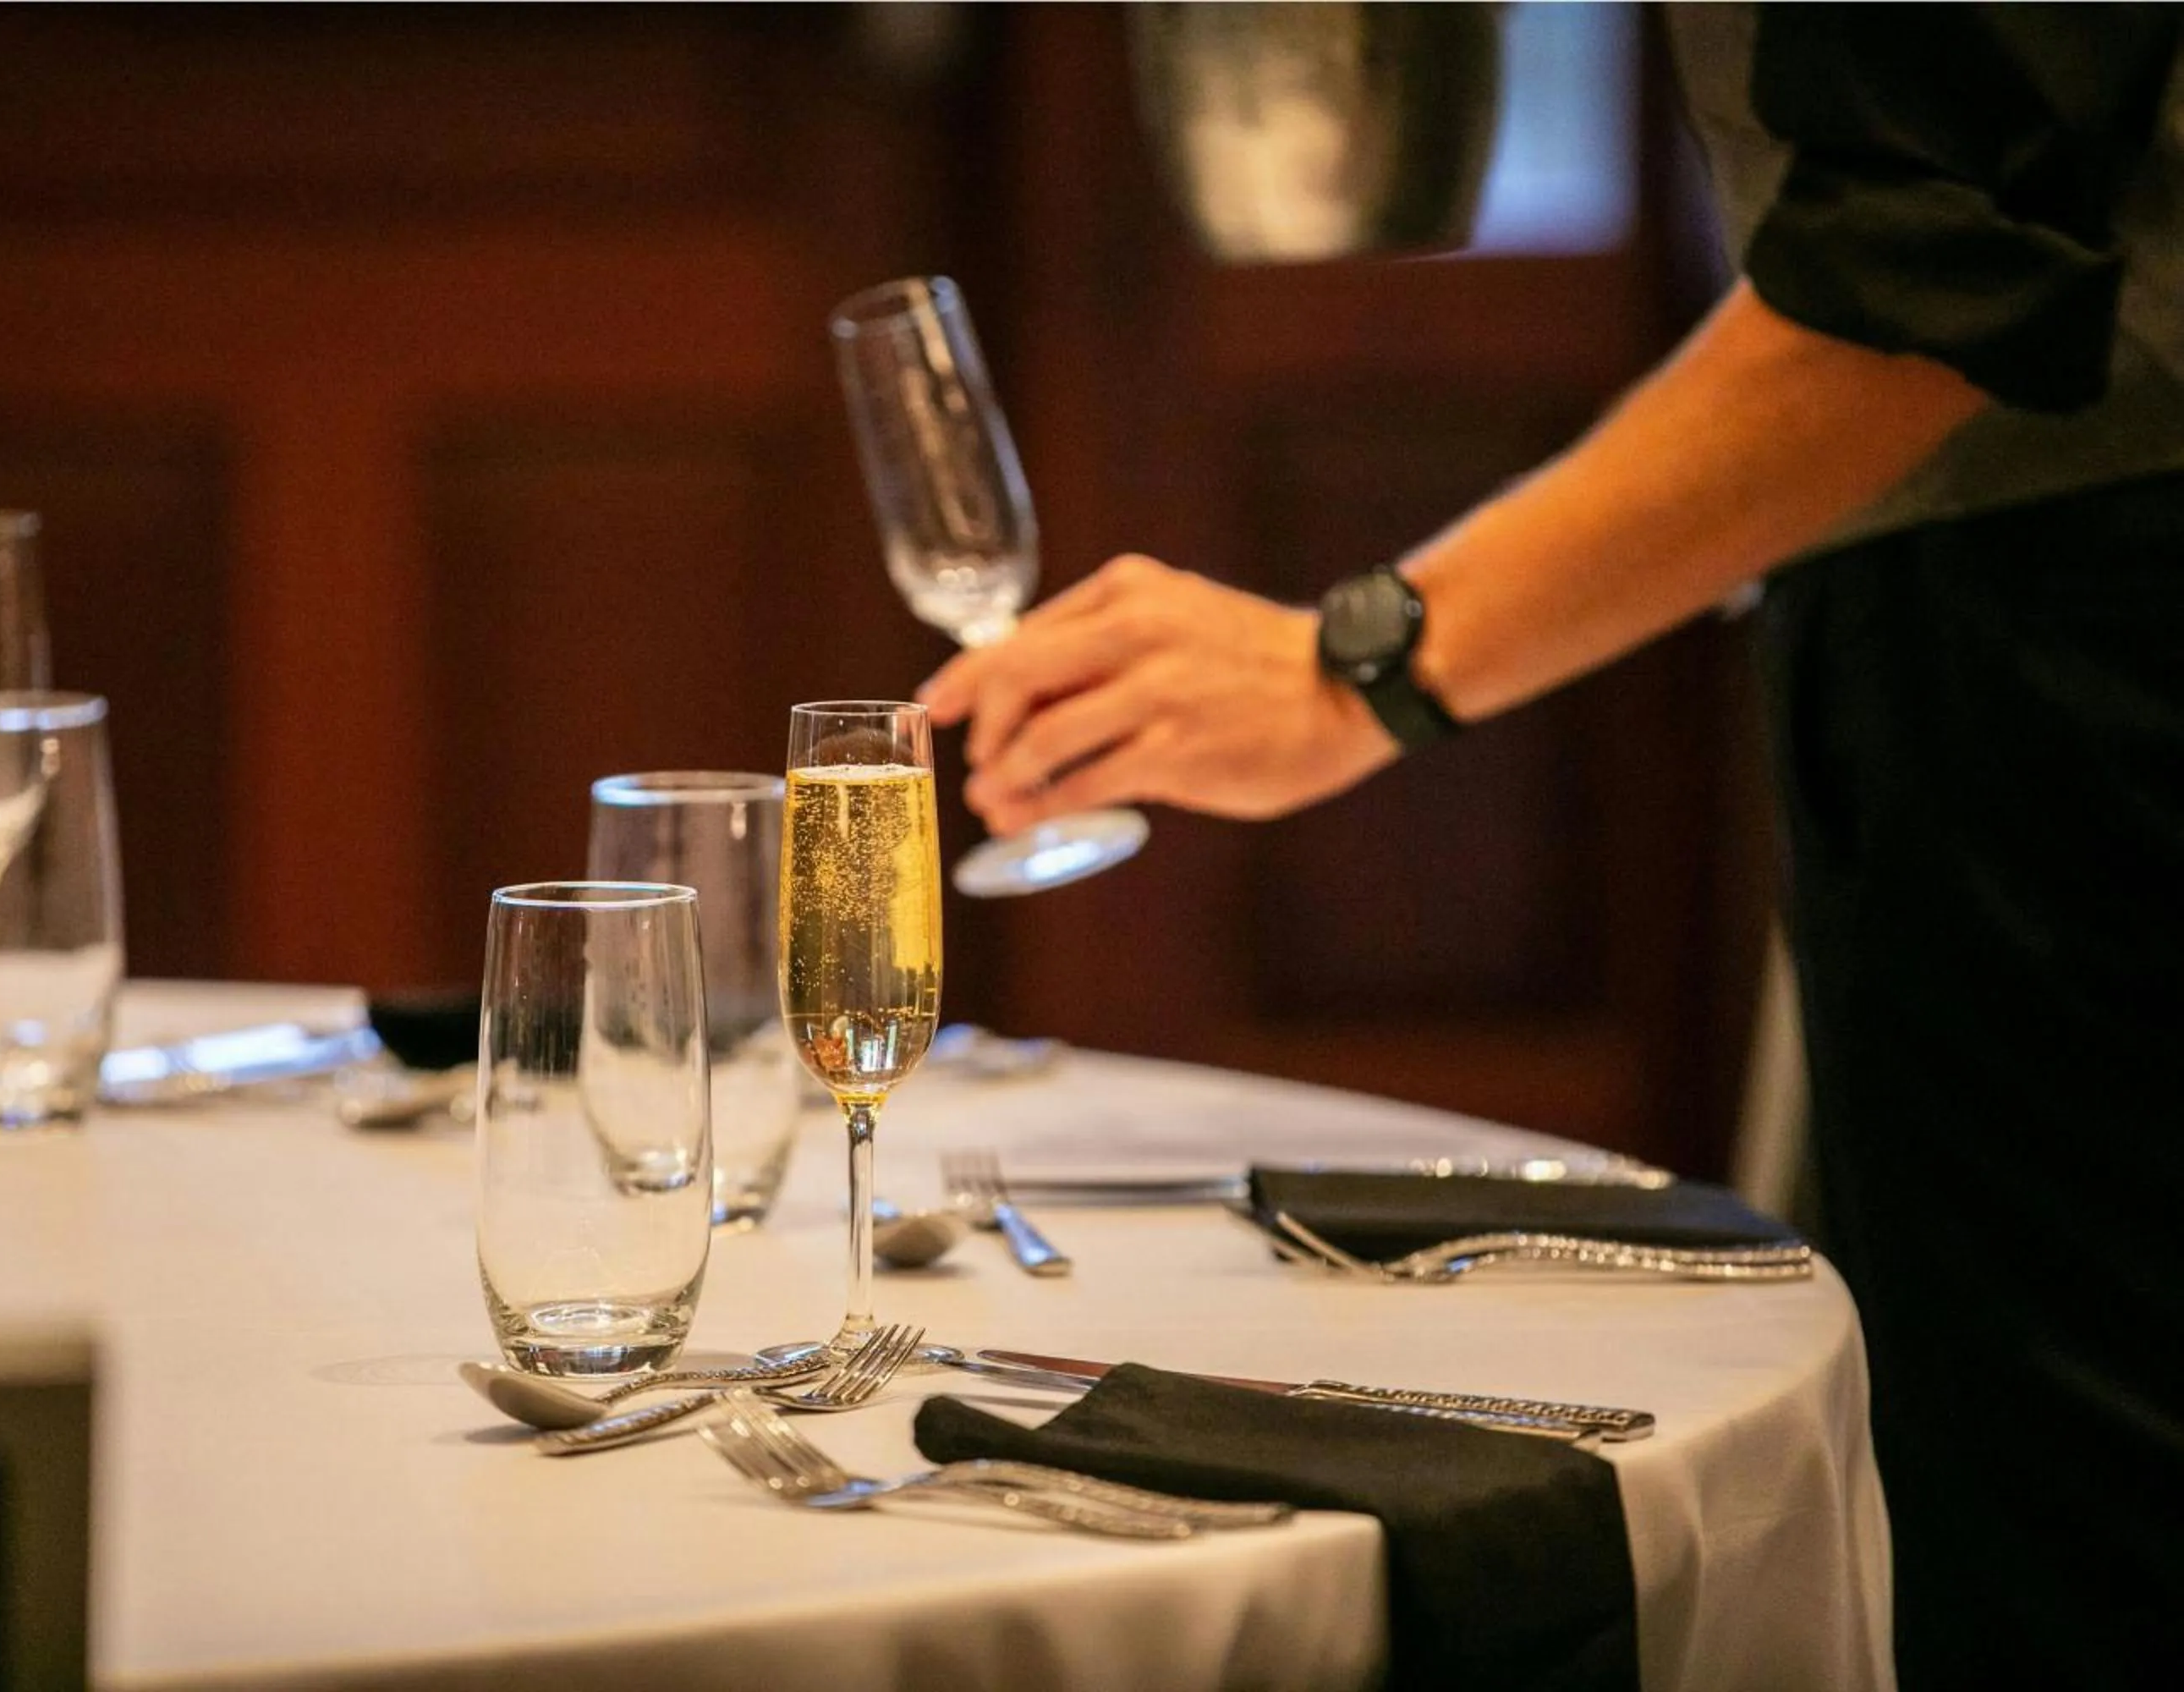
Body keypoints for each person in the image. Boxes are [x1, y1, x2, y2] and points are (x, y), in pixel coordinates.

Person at [919, 8, 2184, 1689]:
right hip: (2001, 624)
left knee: (2077, 1546)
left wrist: (1355, 669)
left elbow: (1935, 258)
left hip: (2096, 649)